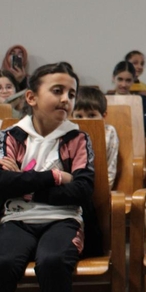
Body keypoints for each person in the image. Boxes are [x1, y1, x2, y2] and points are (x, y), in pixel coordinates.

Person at [0, 62, 96, 292]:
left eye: (71, 94)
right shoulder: (10, 137)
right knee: (3, 262)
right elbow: (3, 184)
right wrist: (55, 176)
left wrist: (23, 182)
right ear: (31, 98)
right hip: (16, 219)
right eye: (57, 91)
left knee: (53, 260)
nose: (66, 99)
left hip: (63, 219)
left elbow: (82, 190)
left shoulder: (78, 139)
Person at [72, 86, 120, 190]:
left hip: (100, 188)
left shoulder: (109, 132)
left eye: (91, 115)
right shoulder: (70, 132)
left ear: (104, 116)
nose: (85, 120)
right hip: (74, 188)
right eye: (79, 116)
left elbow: (110, 166)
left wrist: (104, 191)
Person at [109, 61, 146, 134]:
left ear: (133, 80)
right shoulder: (104, 100)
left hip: (136, 139)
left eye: (128, 80)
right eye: (120, 79)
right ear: (113, 78)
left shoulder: (142, 100)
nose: (124, 84)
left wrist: (125, 120)